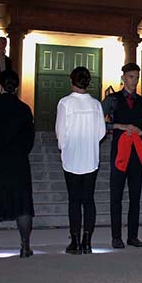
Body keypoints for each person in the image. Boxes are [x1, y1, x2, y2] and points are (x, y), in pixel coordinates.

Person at [0, 70, 36, 259]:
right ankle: (25, 247)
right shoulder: (24, 109)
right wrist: (19, 152)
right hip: (18, 163)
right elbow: (29, 139)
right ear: (16, 87)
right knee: (23, 206)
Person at [101, 63, 142, 249]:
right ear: (123, 77)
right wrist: (119, 126)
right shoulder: (112, 100)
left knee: (135, 196)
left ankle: (133, 236)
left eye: (137, 77)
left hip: (137, 155)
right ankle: (116, 236)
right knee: (115, 195)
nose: (134, 81)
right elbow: (97, 124)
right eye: (131, 76)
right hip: (118, 153)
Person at [56, 67, 107, 254]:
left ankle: (75, 241)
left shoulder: (65, 103)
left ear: (72, 81)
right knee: (88, 200)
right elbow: (101, 132)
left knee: (74, 201)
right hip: (90, 158)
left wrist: (64, 147)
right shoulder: (95, 104)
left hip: (71, 159)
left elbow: (61, 132)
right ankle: (87, 240)